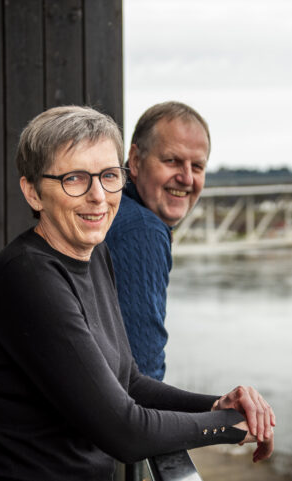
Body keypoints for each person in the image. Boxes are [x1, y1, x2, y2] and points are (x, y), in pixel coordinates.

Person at [0, 106, 275, 480]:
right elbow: (124, 432)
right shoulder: (28, 278)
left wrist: (219, 404)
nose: (98, 196)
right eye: (75, 178)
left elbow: (130, 381)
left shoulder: (95, 253)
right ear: (33, 192)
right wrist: (230, 426)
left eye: (108, 176)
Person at [105, 101, 209, 380]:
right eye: (172, 161)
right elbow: (141, 374)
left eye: (197, 166)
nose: (186, 178)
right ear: (136, 161)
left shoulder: (110, 209)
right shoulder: (143, 230)